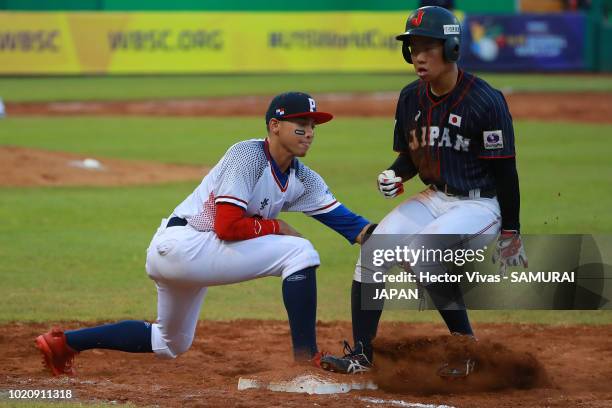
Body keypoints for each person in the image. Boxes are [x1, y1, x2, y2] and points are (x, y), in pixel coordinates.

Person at [35, 91, 375, 376]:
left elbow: (351, 224)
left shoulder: (303, 178)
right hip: (186, 244)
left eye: (313, 126)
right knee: (301, 252)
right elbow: (226, 227)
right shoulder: (247, 155)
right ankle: (307, 360)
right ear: (274, 125)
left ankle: (63, 343)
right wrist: (278, 225)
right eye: (300, 125)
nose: (309, 132)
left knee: (170, 342)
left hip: (188, 255)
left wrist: (394, 244)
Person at [320, 6, 527, 375]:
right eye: (413, 47)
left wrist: (511, 229)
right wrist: (394, 174)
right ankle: (363, 354)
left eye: (428, 47)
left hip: (480, 205)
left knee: (424, 255)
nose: (419, 56)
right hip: (434, 198)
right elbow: (411, 160)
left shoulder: (485, 101)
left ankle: (467, 352)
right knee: (374, 250)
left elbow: (506, 172)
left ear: (450, 49)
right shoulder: (410, 98)